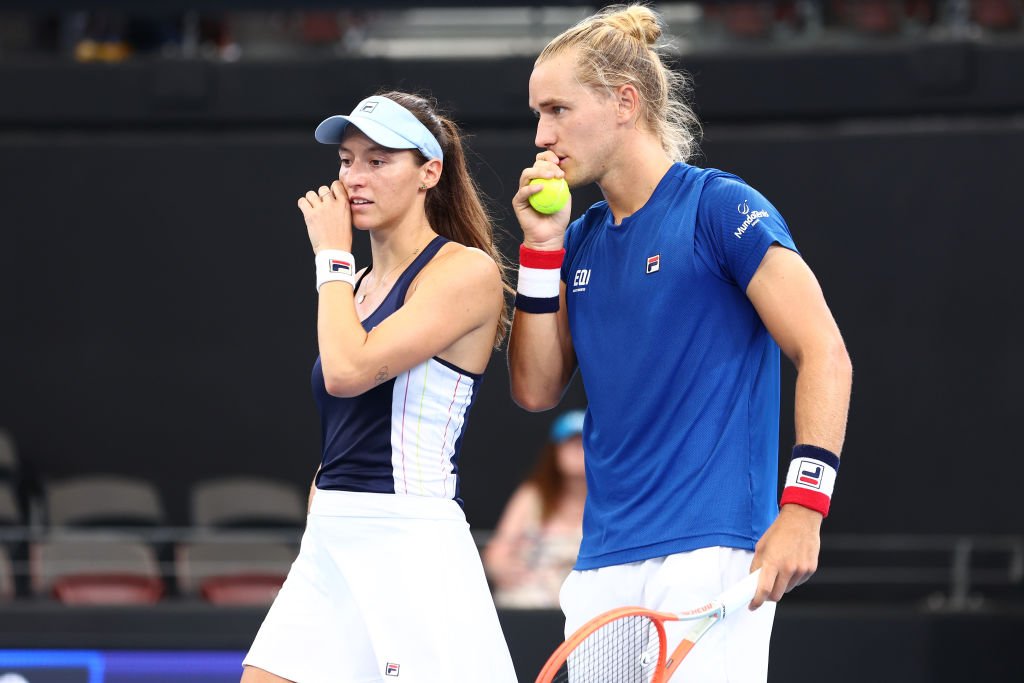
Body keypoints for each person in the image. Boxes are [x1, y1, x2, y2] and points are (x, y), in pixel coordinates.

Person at [508, 4, 853, 681]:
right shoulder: (575, 242)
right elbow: (535, 388)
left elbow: (825, 352)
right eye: (536, 115)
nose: (542, 136)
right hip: (602, 559)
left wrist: (804, 508)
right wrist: (541, 249)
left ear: (624, 103)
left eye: (556, 110)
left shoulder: (720, 208)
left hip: (712, 553)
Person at [242, 91, 517, 683]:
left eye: (377, 160)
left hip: (410, 539)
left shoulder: (466, 272)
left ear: (429, 172)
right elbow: (348, 422)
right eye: (346, 161)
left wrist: (331, 258)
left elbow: (346, 373)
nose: (354, 178)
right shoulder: (355, 280)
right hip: (332, 540)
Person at [483, 409, 587, 608]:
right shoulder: (531, 497)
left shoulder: (607, 503)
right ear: (554, 451)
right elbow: (496, 553)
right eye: (569, 442)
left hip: (580, 607)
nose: (577, 449)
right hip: (529, 605)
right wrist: (505, 570)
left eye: (583, 442)